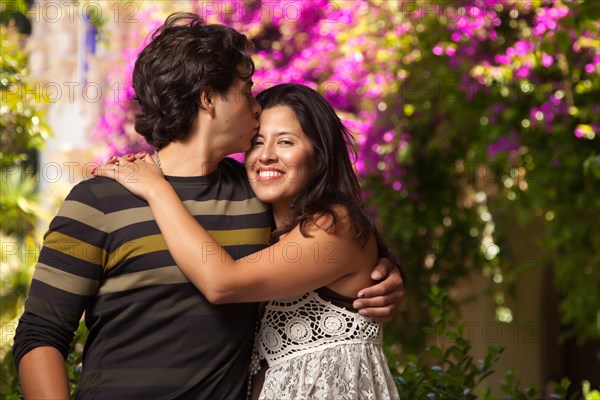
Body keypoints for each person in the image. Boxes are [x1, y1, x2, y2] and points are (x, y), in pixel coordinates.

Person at [12, 13, 404, 399]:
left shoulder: (260, 197)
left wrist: (382, 274)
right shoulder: (99, 200)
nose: (256, 106)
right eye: (247, 89)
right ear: (208, 98)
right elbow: (41, 335)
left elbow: (326, 247)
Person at [94, 83, 403, 399]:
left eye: (285, 142)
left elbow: (222, 283)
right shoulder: (260, 229)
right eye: (257, 142)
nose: (266, 156)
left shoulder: (335, 224)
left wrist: (156, 189)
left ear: (319, 155)